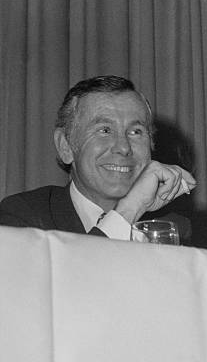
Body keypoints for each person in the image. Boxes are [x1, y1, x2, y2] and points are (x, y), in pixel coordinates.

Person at [0, 75, 196, 240]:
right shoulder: (24, 217)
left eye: (136, 132)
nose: (123, 148)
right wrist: (128, 211)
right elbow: (70, 282)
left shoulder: (173, 229)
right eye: (105, 130)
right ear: (65, 146)